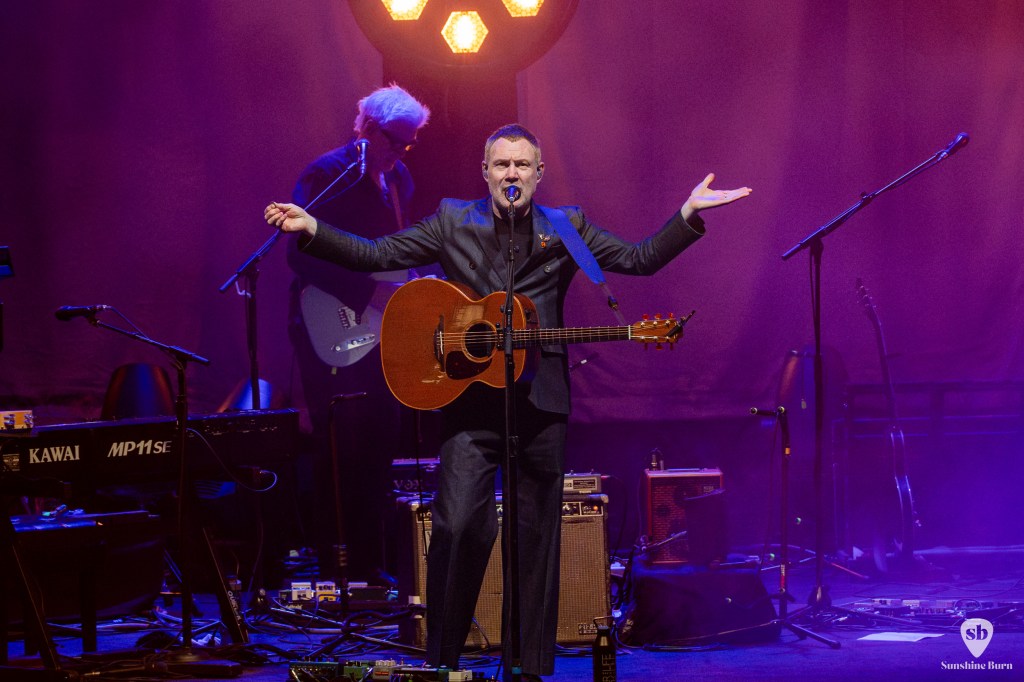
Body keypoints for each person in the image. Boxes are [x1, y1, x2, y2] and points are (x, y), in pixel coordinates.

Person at [267, 124, 751, 680]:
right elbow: (378, 252)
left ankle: (526, 666)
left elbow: (639, 259)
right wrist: (312, 229)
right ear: (486, 173)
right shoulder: (453, 220)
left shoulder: (567, 228)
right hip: (470, 401)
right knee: (456, 525)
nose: (512, 174)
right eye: (502, 165)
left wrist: (688, 213)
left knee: (536, 534)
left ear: (539, 175)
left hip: (541, 401)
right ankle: (443, 659)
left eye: (523, 166)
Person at [286, 84, 430, 584]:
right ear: (366, 129)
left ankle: (370, 564)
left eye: (410, 144)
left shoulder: (399, 180)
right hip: (328, 321)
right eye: (396, 141)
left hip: (377, 330)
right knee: (340, 445)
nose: (402, 152)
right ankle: (336, 565)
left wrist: (414, 282)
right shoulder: (327, 174)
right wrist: (369, 292)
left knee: (379, 439)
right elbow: (299, 254)